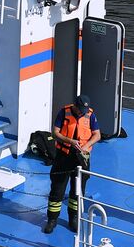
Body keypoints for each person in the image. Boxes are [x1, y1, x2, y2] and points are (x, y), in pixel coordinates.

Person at [43, 94, 101, 234]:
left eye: (84, 110)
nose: (82, 112)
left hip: (81, 158)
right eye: (80, 109)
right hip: (64, 156)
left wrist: (87, 146)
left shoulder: (90, 115)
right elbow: (55, 133)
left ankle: (73, 218)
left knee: (77, 190)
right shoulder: (64, 112)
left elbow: (97, 135)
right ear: (75, 105)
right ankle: (52, 220)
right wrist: (70, 141)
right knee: (57, 189)